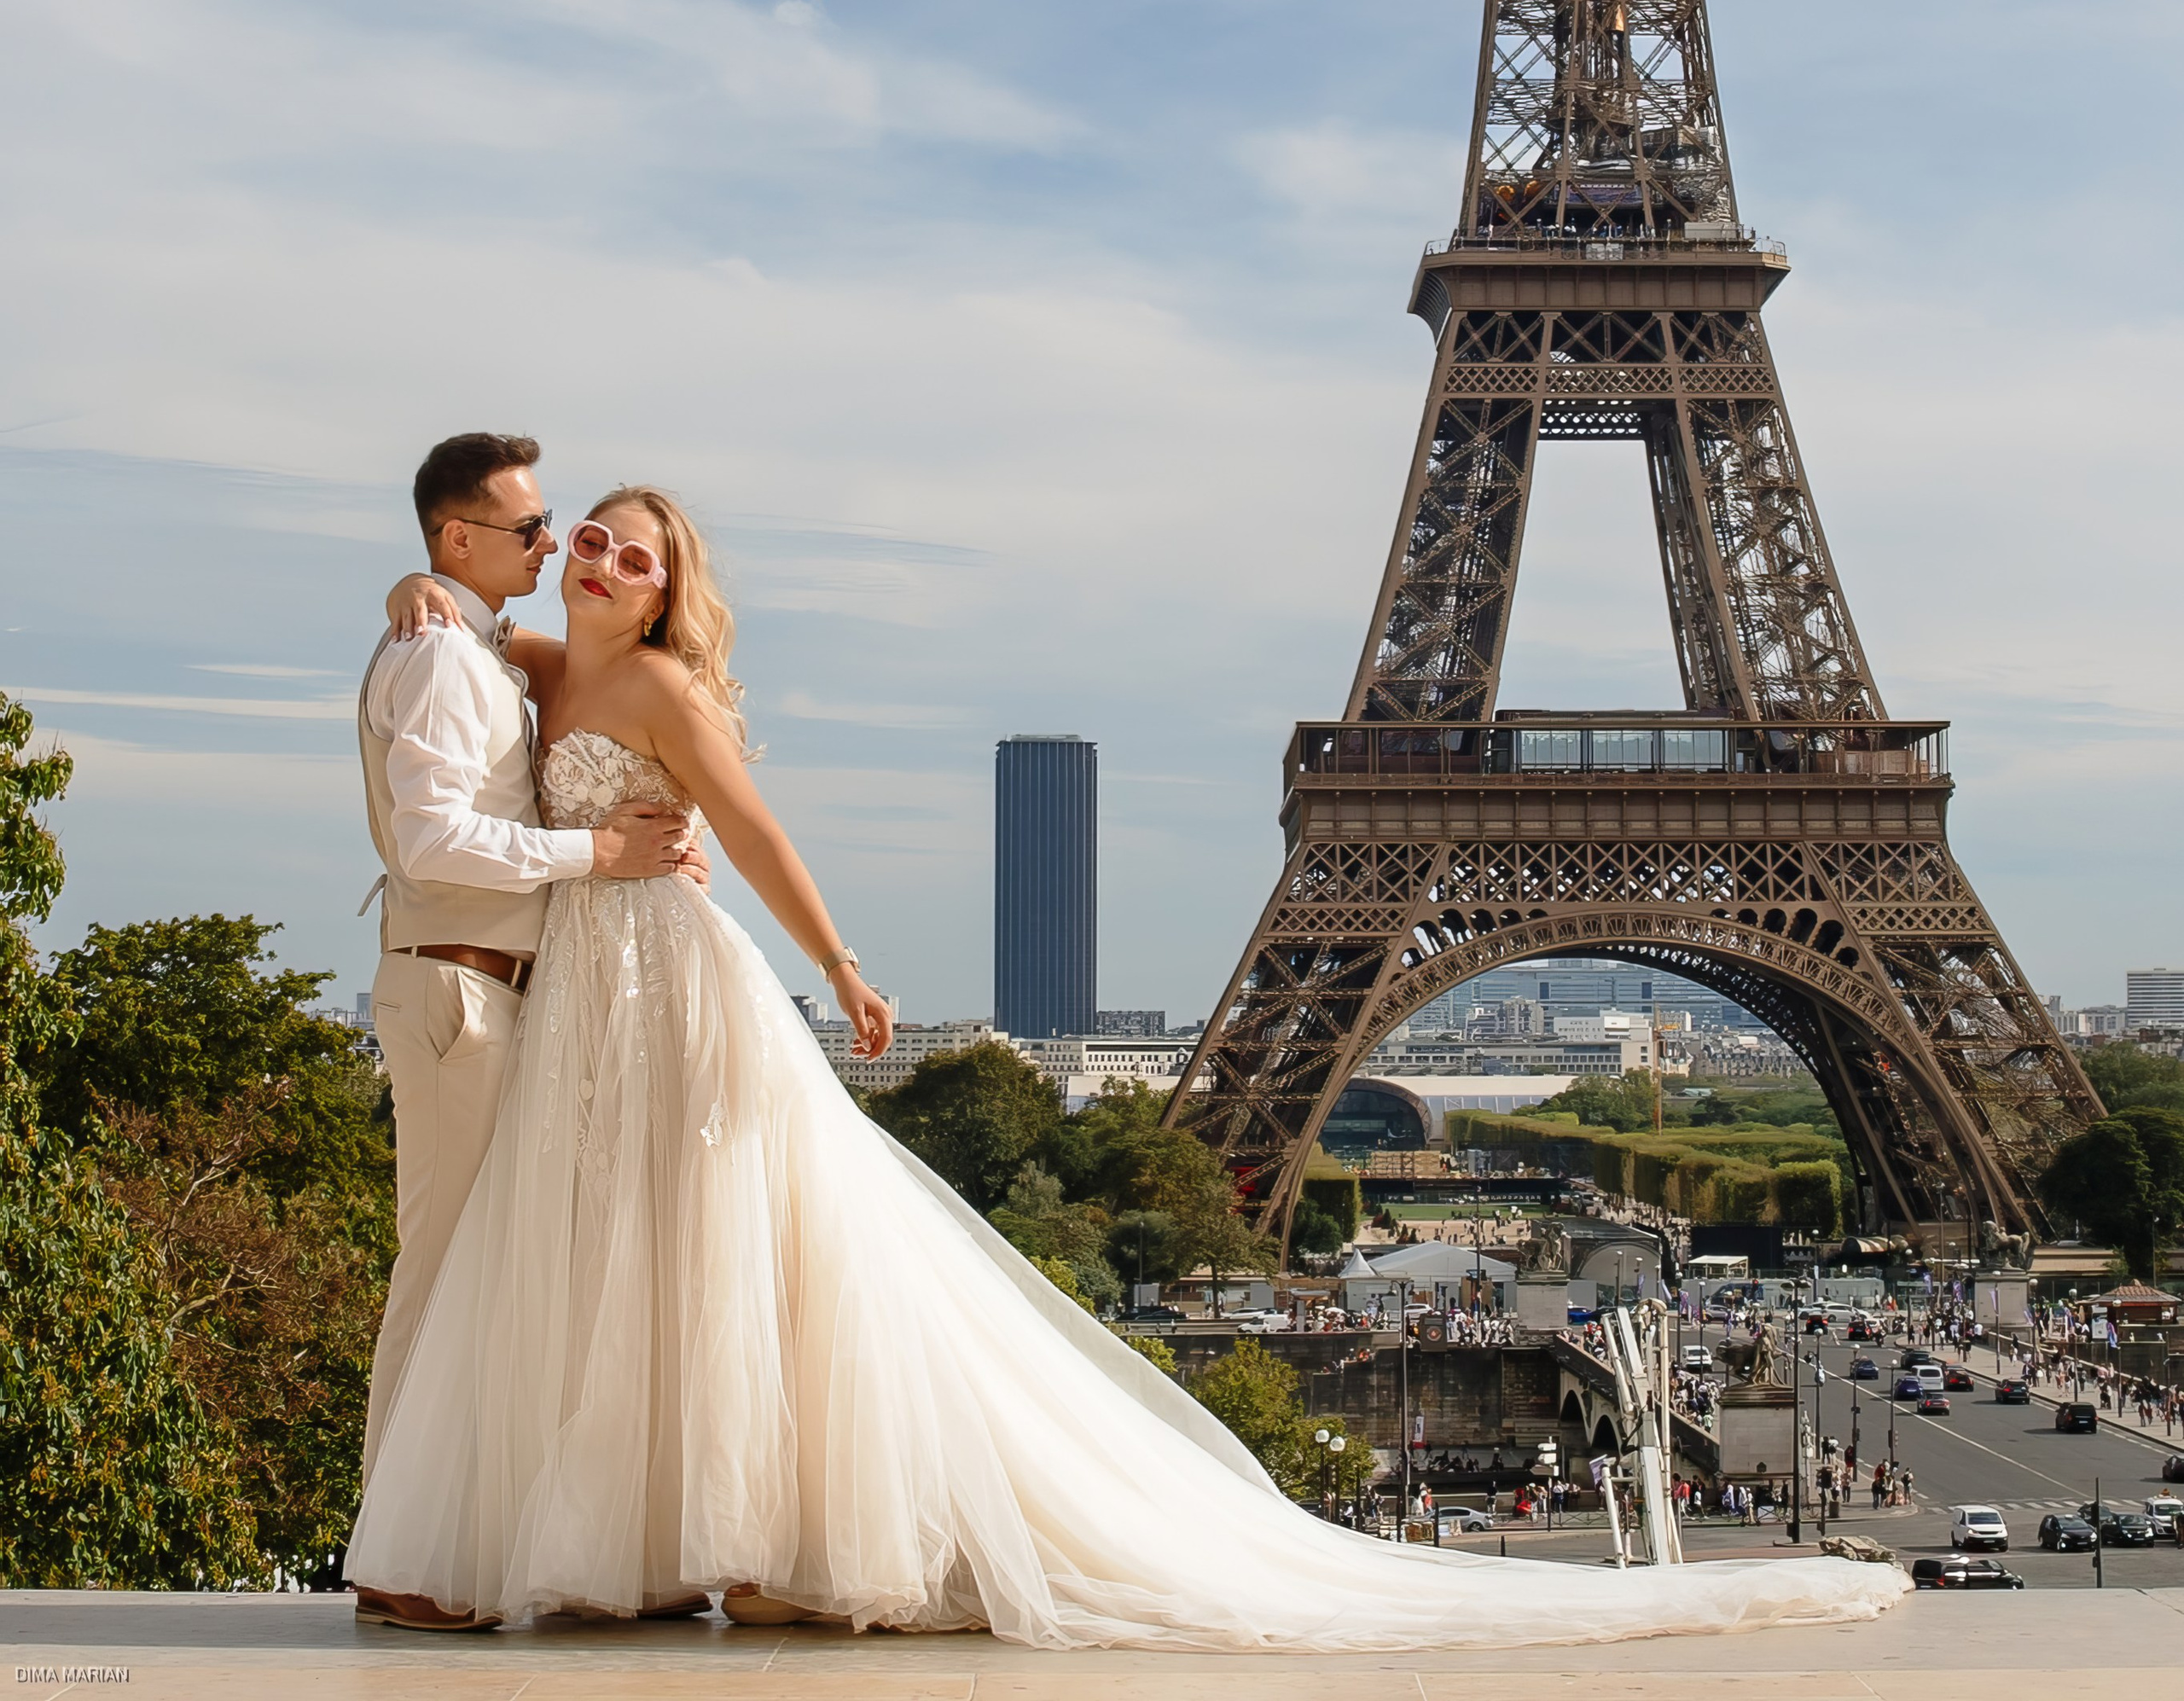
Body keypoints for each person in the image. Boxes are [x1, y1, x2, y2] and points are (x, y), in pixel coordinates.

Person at [346, 485, 1907, 1649]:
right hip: (597, 1002)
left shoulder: (663, 687)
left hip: (673, 985)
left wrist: (841, 964)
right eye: (590, 539)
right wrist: (423, 582)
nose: (603, 556)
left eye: (634, 544)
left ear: (674, 580)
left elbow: (753, 833)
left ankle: (753, 1535)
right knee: (632, 1259)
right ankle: (655, 1533)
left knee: (718, 1250)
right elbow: (479, 636)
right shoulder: (544, 665)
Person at [353, 433, 701, 1615]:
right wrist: (598, 851)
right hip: (459, 986)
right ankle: (398, 1561)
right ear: (459, 537)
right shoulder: (448, 660)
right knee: (444, 1270)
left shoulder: (470, 640)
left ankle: (419, 1547)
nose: (552, 544)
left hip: (478, 984)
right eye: (531, 528)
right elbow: (431, 836)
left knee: (465, 1269)